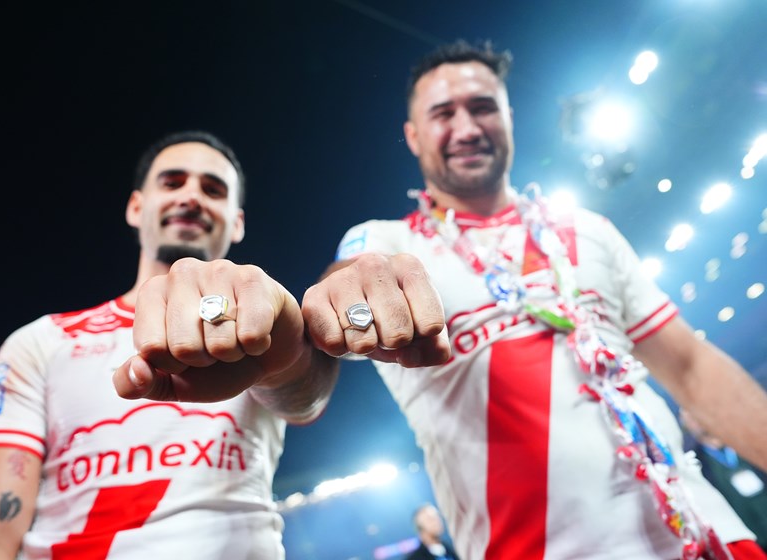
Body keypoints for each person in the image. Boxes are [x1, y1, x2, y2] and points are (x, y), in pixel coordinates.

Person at [306, 40, 767, 559]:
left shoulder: (586, 228)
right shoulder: (388, 243)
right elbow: (348, 279)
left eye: (483, 108)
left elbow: (690, 367)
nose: (466, 128)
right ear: (413, 137)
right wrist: (347, 290)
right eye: (443, 114)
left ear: (508, 118)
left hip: (711, 536)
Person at [0, 130, 342, 559]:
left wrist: (287, 347)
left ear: (236, 221)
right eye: (172, 182)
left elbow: (304, 398)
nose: (191, 197)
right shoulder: (42, 341)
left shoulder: (263, 321)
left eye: (212, 189)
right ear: (136, 207)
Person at [680, 409, 767, 552]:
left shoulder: (746, 441)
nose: (698, 420)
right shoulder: (693, 462)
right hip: (748, 537)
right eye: (691, 417)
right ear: (685, 424)